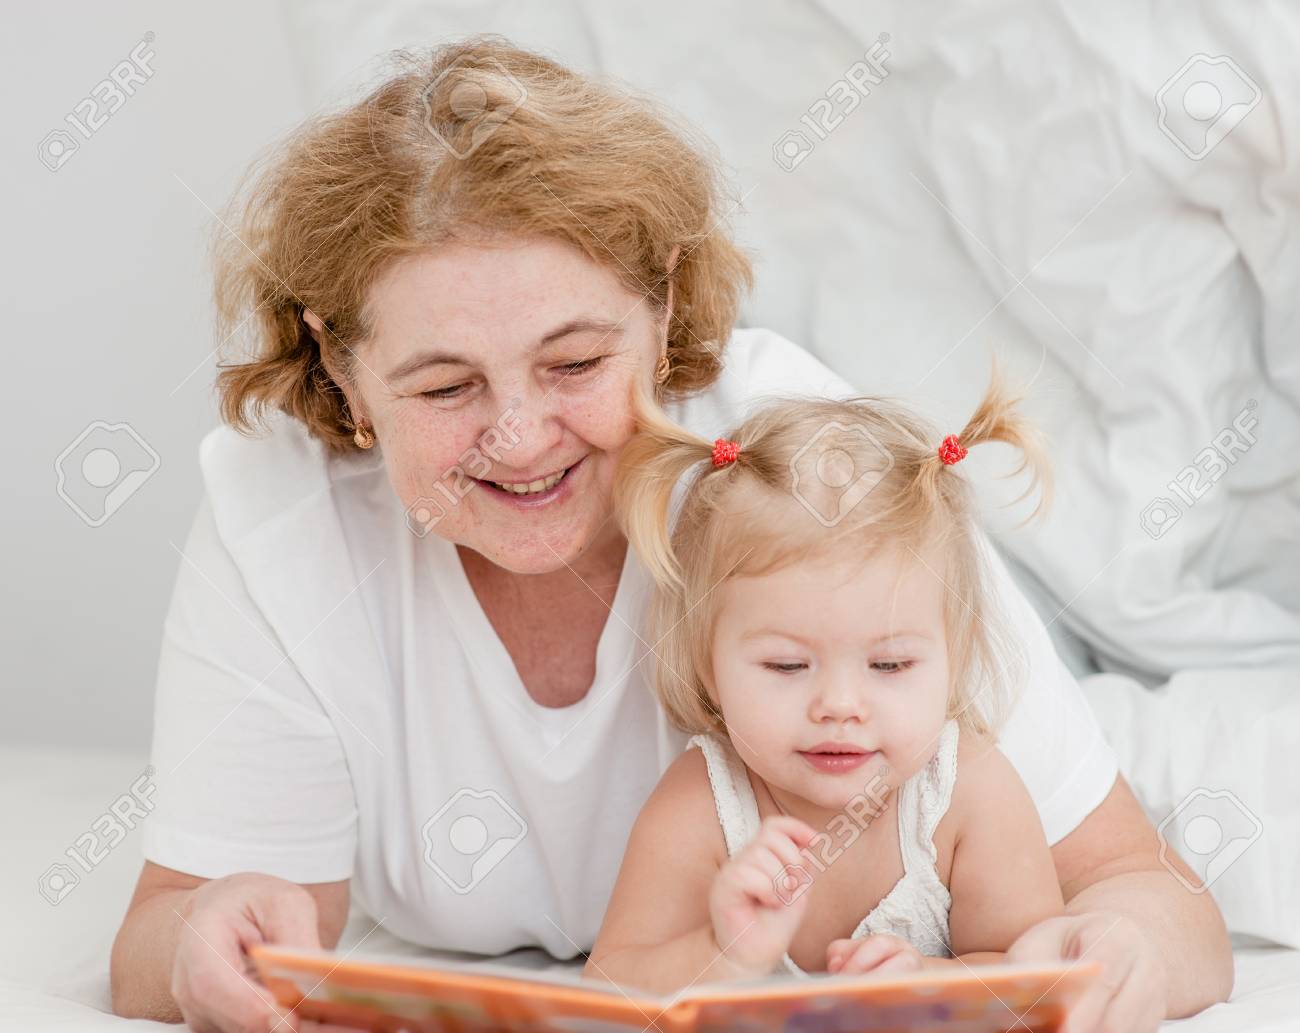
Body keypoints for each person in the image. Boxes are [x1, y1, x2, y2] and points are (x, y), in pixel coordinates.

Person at [109, 36, 1230, 1033]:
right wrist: (207, 937)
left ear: (663, 309)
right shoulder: (282, 515)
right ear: (343, 367)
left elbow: (1149, 893)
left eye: (575, 363)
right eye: (444, 386)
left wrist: (1119, 950)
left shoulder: (801, 474)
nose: (518, 437)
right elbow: (160, 939)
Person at [585, 374, 1071, 989]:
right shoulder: (702, 805)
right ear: (707, 665)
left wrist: (927, 983)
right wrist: (722, 954)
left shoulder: (968, 795)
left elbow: (1038, 980)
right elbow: (610, 988)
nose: (839, 707)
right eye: (787, 666)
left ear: (954, 658)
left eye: (889, 665)